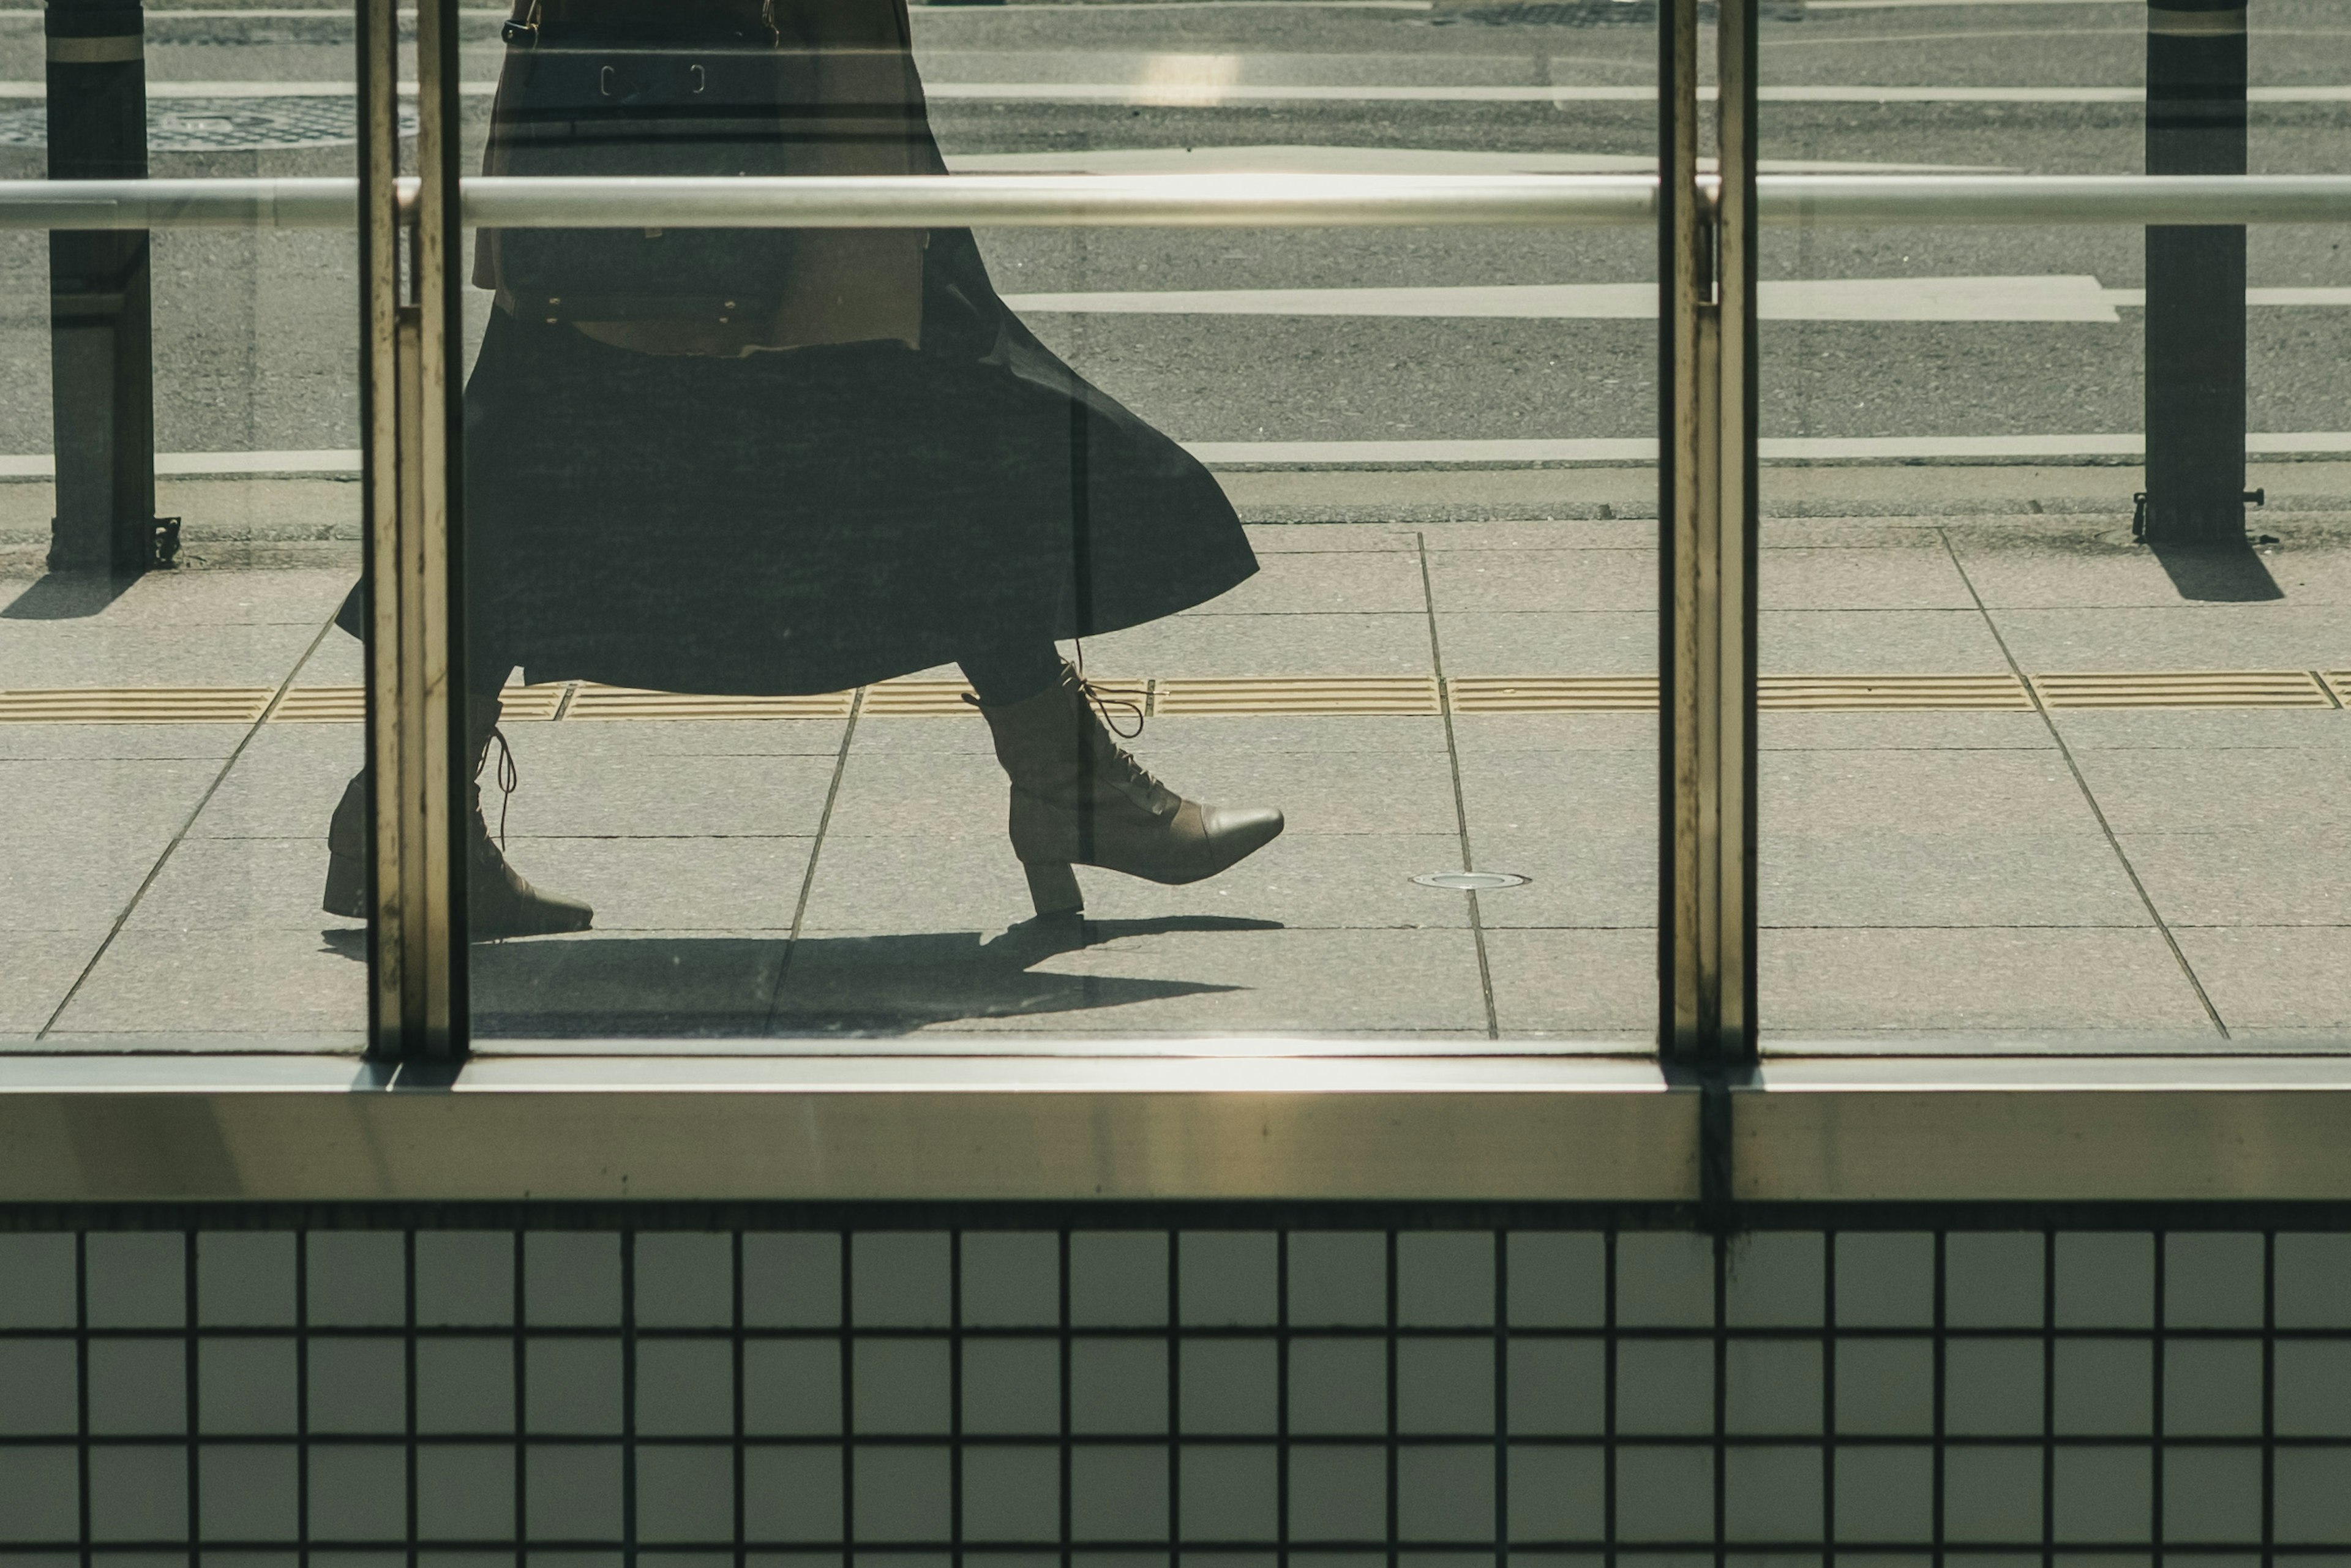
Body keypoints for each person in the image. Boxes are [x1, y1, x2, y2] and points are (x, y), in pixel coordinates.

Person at [323, 0, 1284, 937]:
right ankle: (1070, 786)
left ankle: (402, 814)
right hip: (751, 82)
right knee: (925, 392)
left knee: (564, 419)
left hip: (678, 80)